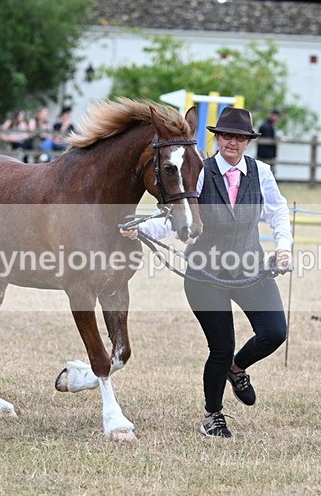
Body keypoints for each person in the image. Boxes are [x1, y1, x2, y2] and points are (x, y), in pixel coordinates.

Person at [121, 106, 293, 438]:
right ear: (217, 138)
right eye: (227, 135)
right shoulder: (200, 172)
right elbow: (179, 215)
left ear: (248, 142)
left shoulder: (262, 173)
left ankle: (237, 368)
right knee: (221, 345)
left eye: (240, 137)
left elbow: (278, 209)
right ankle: (213, 415)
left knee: (275, 333)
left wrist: (283, 246)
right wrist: (142, 229)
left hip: (250, 270)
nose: (233, 143)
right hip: (205, 276)